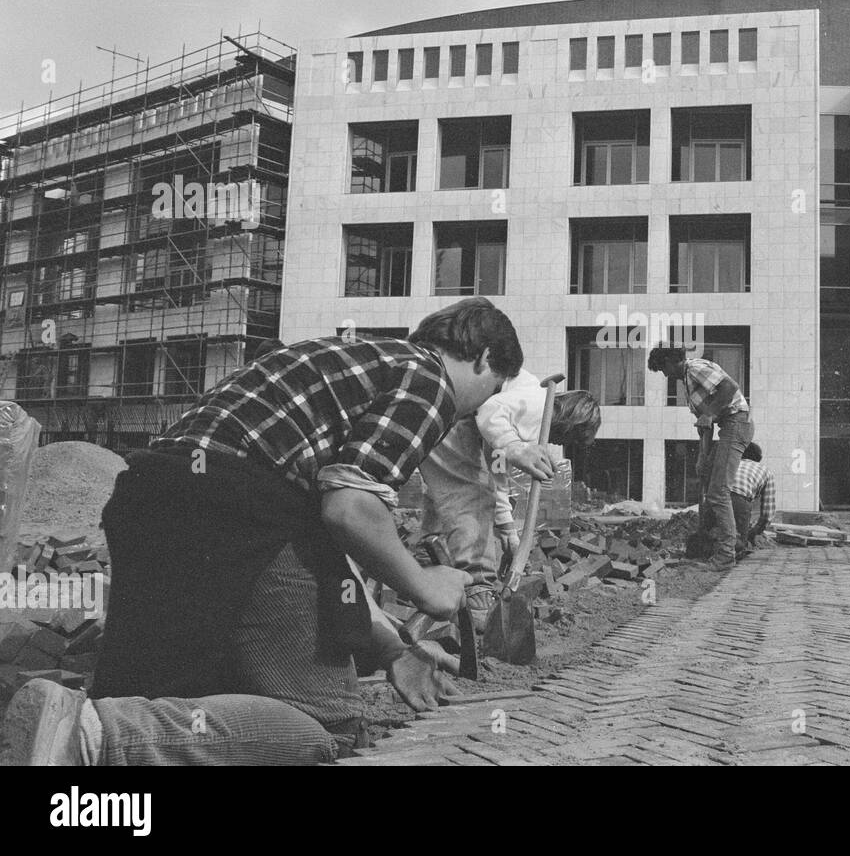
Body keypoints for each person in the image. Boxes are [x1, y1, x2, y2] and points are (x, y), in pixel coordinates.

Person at [0, 298, 524, 766]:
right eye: (490, 390)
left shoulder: (343, 361)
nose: (475, 408)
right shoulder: (429, 379)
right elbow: (350, 510)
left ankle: (80, 737)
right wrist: (424, 584)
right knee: (320, 725)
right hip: (237, 502)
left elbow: (325, 559)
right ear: (481, 360)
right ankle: (95, 738)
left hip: (149, 495)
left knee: (175, 686)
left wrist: (392, 649)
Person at [421, 372, 600, 631]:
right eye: (571, 438)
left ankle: (428, 564)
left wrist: (506, 527)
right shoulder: (540, 407)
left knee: (452, 495)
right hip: (451, 413)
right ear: (574, 422)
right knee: (473, 495)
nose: (561, 443)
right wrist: (515, 447)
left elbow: (496, 469)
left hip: (445, 409)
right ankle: (478, 593)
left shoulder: (529, 402)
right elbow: (491, 410)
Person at [647, 345, 753, 571]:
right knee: (708, 481)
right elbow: (704, 426)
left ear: (671, 360)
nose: (665, 375)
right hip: (727, 427)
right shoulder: (687, 383)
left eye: (663, 369)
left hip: (737, 424)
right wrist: (702, 457)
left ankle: (726, 554)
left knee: (718, 491)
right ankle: (711, 544)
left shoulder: (695, 368)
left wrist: (711, 413)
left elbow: (730, 387)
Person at [730, 442, 776, 557]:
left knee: (712, 531)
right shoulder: (766, 471)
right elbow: (767, 513)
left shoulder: (732, 463)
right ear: (758, 459)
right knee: (740, 542)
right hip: (739, 498)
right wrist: (755, 532)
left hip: (716, 496)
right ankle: (732, 558)